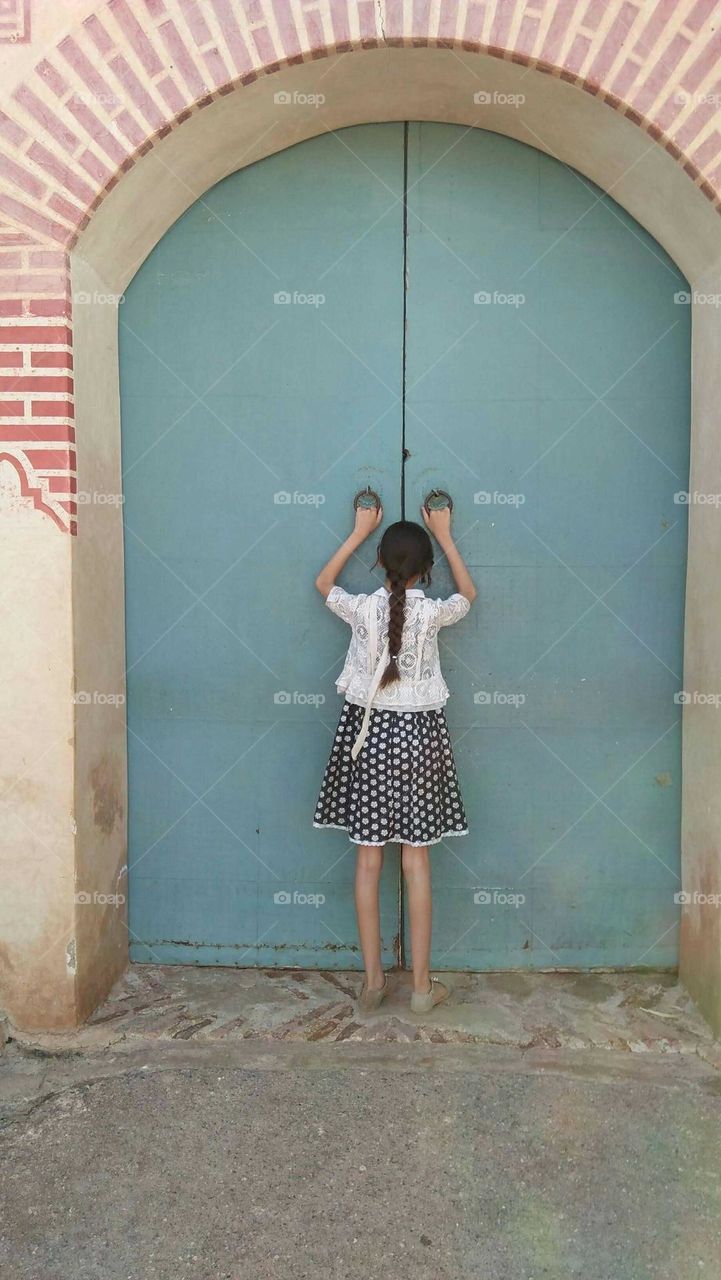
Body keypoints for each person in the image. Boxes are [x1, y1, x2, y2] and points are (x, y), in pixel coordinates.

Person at [313, 497, 476, 1014]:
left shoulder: (363, 609)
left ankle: (373, 983)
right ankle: (424, 989)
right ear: (427, 570)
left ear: (380, 564)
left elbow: (323, 585)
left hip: (369, 741)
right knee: (417, 861)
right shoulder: (429, 614)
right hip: (420, 740)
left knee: (367, 861)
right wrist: (446, 533)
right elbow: (468, 596)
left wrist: (358, 530)